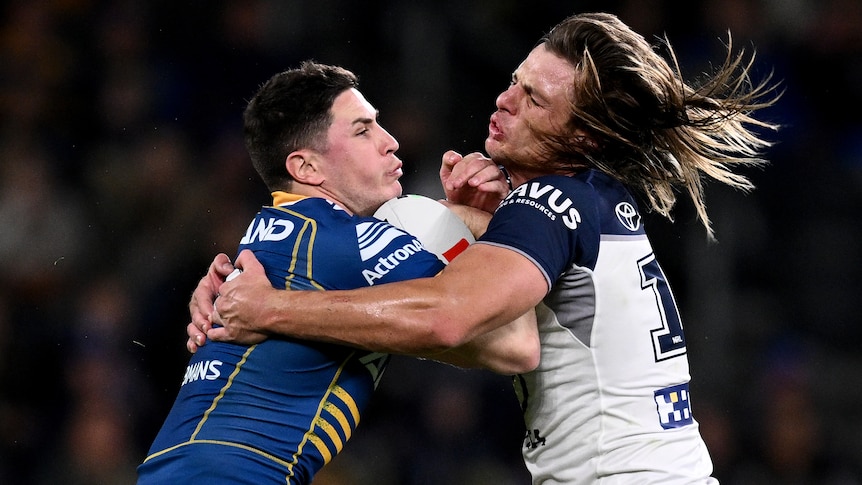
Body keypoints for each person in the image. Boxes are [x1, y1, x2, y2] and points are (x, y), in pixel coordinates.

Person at [189, 12, 781, 483]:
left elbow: (447, 318)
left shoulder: (548, 204)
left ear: (581, 136)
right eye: (515, 81)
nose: (505, 101)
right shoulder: (589, 200)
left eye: (536, 101)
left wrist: (271, 310)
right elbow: (485, 334)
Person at [138, 61, 539, 485]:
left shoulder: (275, 240)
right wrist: (483, 222)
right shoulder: (351, 242)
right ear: (307, 169)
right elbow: (515, 345)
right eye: (362, 130)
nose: (390, 142)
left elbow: (440, 334)